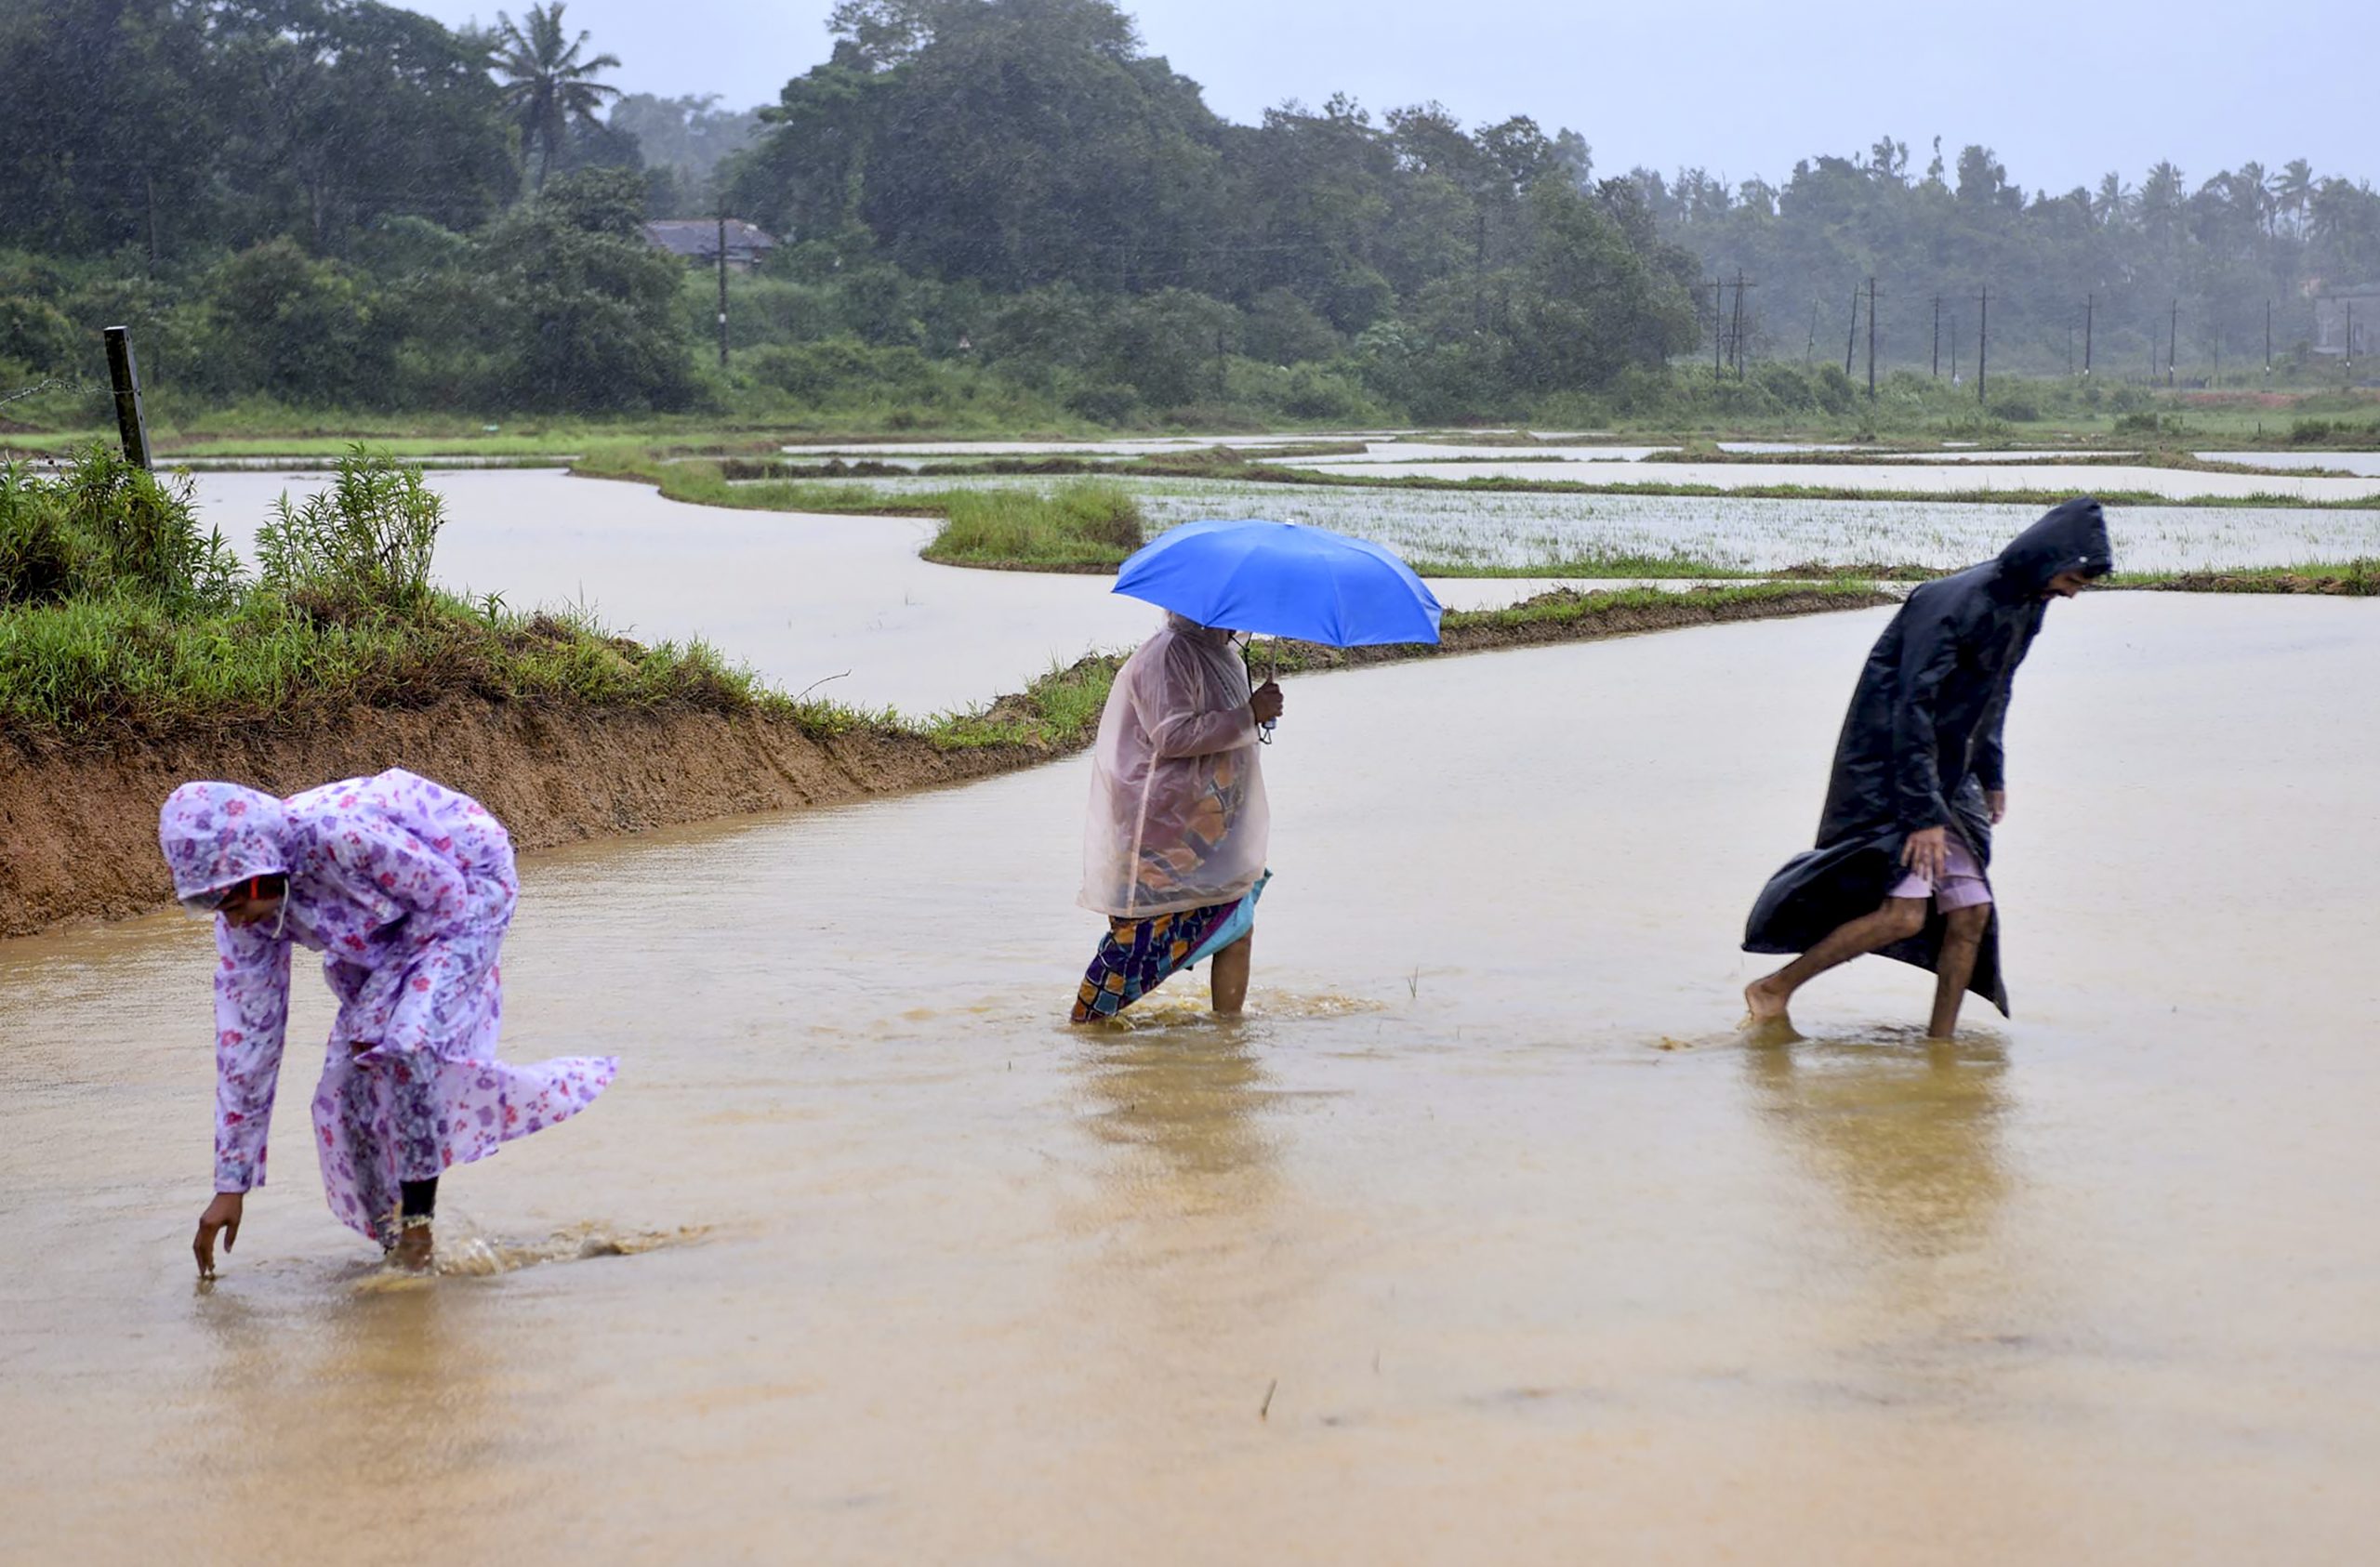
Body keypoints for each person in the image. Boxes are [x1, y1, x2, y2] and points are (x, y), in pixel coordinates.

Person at [161, 769, 615, 1275]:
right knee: (347, 1087)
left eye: (233, 903)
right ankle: (393, 1245)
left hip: (465, 885)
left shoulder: (339, 835)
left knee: (404, 1044)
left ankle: (418, 1235)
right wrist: (231, 1184)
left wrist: (376, 1010)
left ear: (260, 872)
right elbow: (247, 1040)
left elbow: (445, 898)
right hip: (380, 921)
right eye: (211, 907)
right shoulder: (244, 920)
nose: (232, 920)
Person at [1741, 497, 2113, 1038]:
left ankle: (1941, 1049)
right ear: (2048, 559)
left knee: (1971, 916)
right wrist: (1923, 816)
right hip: (1895, 772)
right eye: (2073, 579)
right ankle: (1773, 989)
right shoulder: (1953, 602)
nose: (2074, 592)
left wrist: (1991, 773)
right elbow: (1911, 707)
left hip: (1951, 774)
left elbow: (1996, 691)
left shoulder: (2029, 603)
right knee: (1904, 915)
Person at [1073, 613, 1284, 1022]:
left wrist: (1255, 713)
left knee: (1235, 925)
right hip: (1164, 830)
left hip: (1211, 825)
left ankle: (1228, 1033)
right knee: (1135, 945)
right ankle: (1085, 1031)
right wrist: (1249, 714)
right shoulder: (1167, 656)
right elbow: (1172, 736)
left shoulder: (1222, 655)